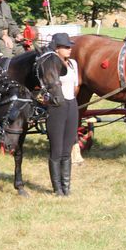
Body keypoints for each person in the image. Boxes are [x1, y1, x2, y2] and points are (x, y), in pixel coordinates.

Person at [45, 33, 79, 197]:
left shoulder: (73, 64)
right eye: (65, 47)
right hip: (57, 106)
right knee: (56, 149)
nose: (69, 49)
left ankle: (66, 186)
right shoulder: (51, 65)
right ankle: (57, 188)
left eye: (69, 46)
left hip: (72, 104)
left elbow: (75, 86)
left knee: (67, 148)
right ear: (56, 49)